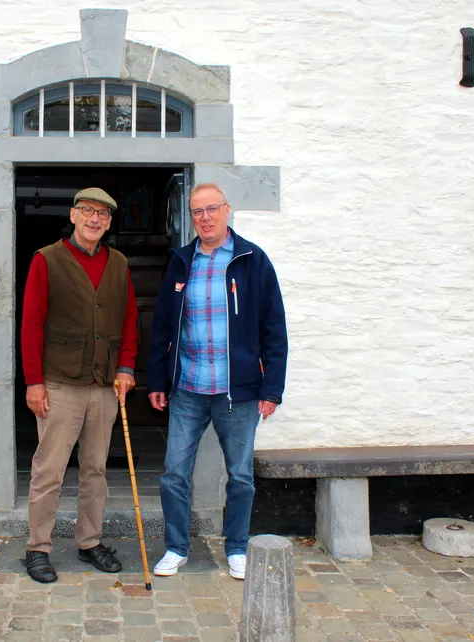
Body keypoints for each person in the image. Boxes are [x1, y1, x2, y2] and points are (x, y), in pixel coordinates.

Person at [147, 183, 288, 580]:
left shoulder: (252, 260)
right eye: (197, 212)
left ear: (227, 210)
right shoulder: (181, 261)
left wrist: (271, 388)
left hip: (237, 392)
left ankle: (237, 547)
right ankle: (176, 548)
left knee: (240, 476)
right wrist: (159, 379)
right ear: (190, 217)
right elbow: (162, 328)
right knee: (175, 472)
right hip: (188, 388)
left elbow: (274, 328)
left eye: (212, 209)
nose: (205, 217)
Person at [20, 187, 139, 584]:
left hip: (104, 383)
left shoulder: (118, 263)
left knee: (95, 470)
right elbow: (31, 324)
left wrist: (126, 367)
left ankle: (89, 542)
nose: (95, 219)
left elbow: (129, 320)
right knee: (49, 470)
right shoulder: (47, 259)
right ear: (73, 215)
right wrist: (34, 382)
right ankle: (37, 548)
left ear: (109, 222)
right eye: (87, 210)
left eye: (103, 214)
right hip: (59, 383)